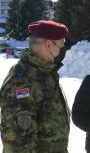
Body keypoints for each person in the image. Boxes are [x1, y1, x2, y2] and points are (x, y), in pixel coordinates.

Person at [0, 20, 70, 152]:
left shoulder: (44, 72)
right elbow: (19, 143)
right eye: (61, 44)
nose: (63, 50)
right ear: (49, 44)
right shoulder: (22, 80)